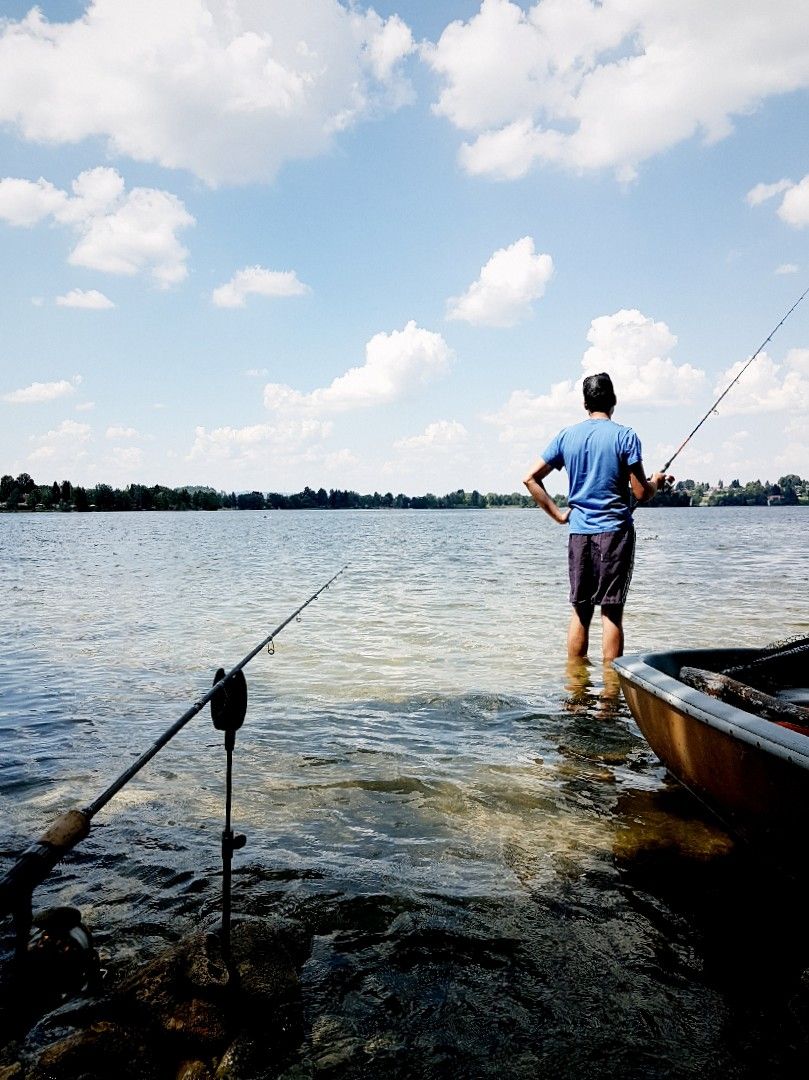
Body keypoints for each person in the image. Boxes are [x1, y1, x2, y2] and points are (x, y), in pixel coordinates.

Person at [523, 372, 671, 662]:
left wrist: (558, 516)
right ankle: (609, 697)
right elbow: (641, 494)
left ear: (584, 403)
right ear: (614, 400)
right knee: (611, 613)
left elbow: (530, 478)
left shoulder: (567, 436)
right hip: (615, 533)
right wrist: (657, 481)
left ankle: (576, 690)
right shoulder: (625, 436)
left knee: (580, 610)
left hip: (579, 534)